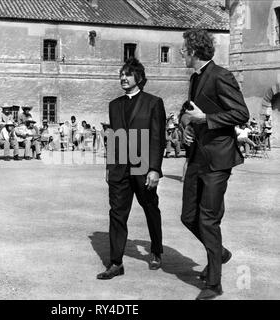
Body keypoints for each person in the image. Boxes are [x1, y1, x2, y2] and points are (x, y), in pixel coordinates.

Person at [180, 29, 249, 300]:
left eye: (184, 48)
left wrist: (204, 119)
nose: (181, 53)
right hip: (198, 155)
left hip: (218, 158)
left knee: (208, 219)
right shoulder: (195, 78)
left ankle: (213, 284)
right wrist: (187, 125)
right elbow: (191, 111)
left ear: (195, 50)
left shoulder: (221, 75)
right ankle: (219, 253)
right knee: (188, 216)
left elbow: (241, 112)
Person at [97, 58, 166, 280]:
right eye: (121, 74)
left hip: (143, 167)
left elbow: (157, 138)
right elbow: (114, 139)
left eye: (127, 74)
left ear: (139, 78)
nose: (123, 78)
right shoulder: (114, 105)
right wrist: (110, 167)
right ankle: (116, 263)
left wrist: (154, 169)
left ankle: (156, 250)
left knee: (150, 208)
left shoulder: (153, 102)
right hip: (119, 170)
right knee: (117, 213)